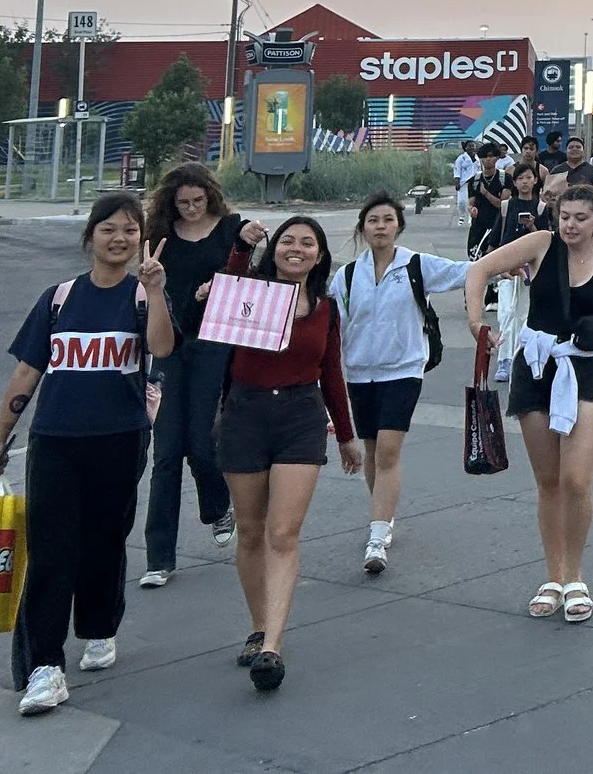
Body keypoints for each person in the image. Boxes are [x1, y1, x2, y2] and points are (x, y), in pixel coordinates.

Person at [0, 191, 177, 717]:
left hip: (120, 438)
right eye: (109, 229)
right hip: (55, 440)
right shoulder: (58, 298)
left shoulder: (141, 297)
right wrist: (1, 434)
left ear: (141, 239)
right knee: (49, 552)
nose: (119, 238)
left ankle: (99, 627)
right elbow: (28, 371)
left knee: (103, 541)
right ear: (90, 236)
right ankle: (44, 667)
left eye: (130, 230)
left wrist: (157, 291)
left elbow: (162, 348)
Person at [464, 184, 593, 624]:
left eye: (580, 218)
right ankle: (553, 576)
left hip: (588, 370)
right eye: (564, 216)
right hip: (536, 366)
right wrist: (476, 323)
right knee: (548, 481)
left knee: (576, 480)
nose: (569, 225)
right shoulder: (540, 245)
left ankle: (576, 576)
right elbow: (478, 271)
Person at [216, 215, 361, 692]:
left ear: (319, 256)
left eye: (307, 243)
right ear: (274, 248)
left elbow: (332, 372)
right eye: (287, 241)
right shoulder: (252, 291)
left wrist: (345, 434)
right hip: (244, 413)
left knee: (283, 532)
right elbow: (226, 290)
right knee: (252, 531)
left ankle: (273, 646)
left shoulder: (325, 309)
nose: (295, 249)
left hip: (300, 415)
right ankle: (258, 628)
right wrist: (241, 247)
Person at [138, 166, 267, 588]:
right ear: (171, 204)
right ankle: (159, 557)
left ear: (210, 196)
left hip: (216, 342)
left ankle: (216, 506)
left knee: (201, 441)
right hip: (172, 342)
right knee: (166, 453)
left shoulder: (230, 227)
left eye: (198, 201)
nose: (192, 210)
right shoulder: (162, 237)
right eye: (183, 204)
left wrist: (251, 232)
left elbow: (252, 241)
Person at [335, 190, 472, 577]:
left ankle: (376, 537)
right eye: (373, 220)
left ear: (399, 226)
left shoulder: (415, 265)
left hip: (403, 369)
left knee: (389, 451)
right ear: (363, 226)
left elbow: (463, 271)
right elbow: (331, 323)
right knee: (372, 448)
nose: (380, 226)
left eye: (388, 220)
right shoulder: (346, 275)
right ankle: (385, 514)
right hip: (359, 371)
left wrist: (508, 263)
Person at [466, 146, 508, 256]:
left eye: (490, 156)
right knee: (475, 257)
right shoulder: (474, 180)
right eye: (484, 157)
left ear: (497, 158)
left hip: (497, 225)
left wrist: (485, 193)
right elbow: (471, 203)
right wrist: (472, 209)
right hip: (478, 227)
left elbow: (502, 204)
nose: (487, 159)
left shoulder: (504, 178)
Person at [450, 146, 478, 223]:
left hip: (475, 182)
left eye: (473, 146)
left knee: (473, 201)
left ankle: (471, 216)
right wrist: (457, 182)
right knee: (462, 201)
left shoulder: (477, 158)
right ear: (466, 148)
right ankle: (462, 214)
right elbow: (457, 169)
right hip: (464, 183)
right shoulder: (461, 158)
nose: (472, 148)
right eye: (470, 146)